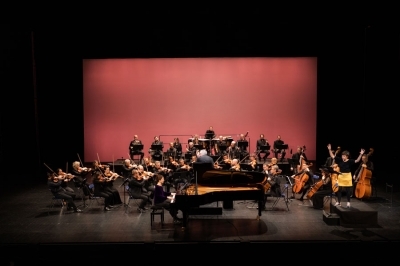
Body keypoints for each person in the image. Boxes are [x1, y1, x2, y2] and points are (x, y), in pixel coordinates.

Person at [327, 144, 364, 208]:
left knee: (348, 190)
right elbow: (332, 156)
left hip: (347, 176)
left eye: (344, 156)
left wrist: (361, 154)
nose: (342, 157)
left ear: (347, 156)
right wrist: (329, 149)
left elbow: (357, 161)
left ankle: (348, 203)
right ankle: (339, 202)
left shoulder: (350, 161)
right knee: (339, 190)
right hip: (341, 175)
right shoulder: (340, 160)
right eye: (342, 156)